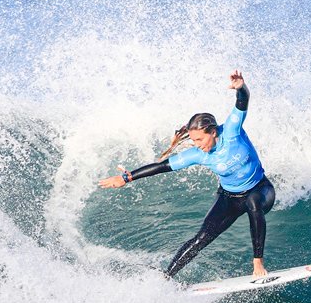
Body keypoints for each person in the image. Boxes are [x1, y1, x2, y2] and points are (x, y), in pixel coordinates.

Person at [98, 70, 276, 278]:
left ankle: (257, 264)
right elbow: (162, 167)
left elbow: (242, 101)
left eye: (200, 140)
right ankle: (167, 276)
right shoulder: (197, 154)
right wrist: (126, 178)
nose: (196, 145)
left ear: (213, 132)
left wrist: (240, 88)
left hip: (260, 190)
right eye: (193, 141)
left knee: (253, 203)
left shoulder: (232, 131)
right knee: (201, 238)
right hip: (230, 197)